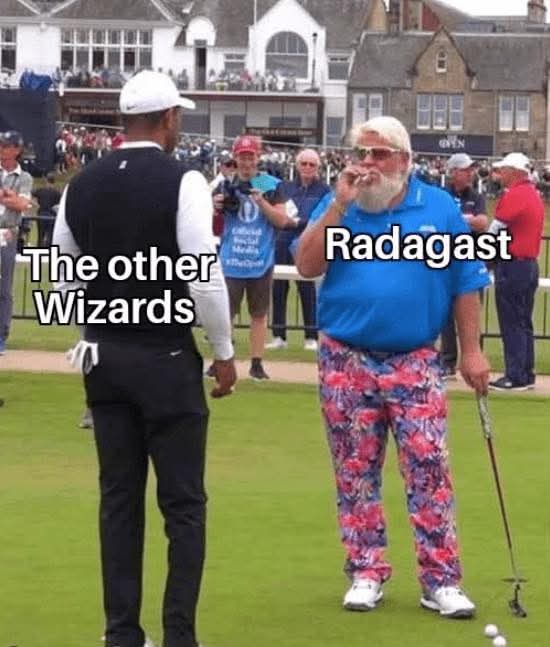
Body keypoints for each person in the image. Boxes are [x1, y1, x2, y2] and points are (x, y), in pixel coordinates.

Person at [52, 70, 237, 647]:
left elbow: (63, 272)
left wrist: (95, 326)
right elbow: (202, 276)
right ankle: (179, 634)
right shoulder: (185, 180)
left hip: (104, 357)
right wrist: (224, 351)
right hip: (165, 355)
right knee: (183, 505)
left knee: (118, 501)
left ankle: (122, 633)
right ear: (168, 119)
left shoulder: (80, 184)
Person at [296, 116, 490, 618]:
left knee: (429, 468)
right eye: (361, 153)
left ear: (404, 161)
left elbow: (466, 282)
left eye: (379, 154)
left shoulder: (439, 208)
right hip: (346, 357)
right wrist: (337, 204)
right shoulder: (341, 205)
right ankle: (365, 570)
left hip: (415, 357)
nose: (368, 164)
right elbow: (308, 265)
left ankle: (441, 579)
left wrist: (471, 350)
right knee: (354, 470)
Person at [213, 135, 297, 380]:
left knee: (259, 315)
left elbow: (282, 221)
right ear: (235, 158)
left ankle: (257, 363)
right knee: (224, 315)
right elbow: (214, 225)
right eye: (242, 156)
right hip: (231, 259)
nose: (247, 162)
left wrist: (261, 202)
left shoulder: (271, 184)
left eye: (251, 156)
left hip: (260, 259)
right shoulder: (225, 184)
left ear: (258, 158)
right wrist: (215, 207)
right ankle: (222, 360)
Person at [488, 153, 544, 391]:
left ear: (514, 171)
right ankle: (525, 373)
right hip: (528, 264)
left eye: (504, 170)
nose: (500, 174)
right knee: (523, 321)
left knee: (511, 321)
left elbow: (496, 228)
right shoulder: (532, 194)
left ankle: (515, 375)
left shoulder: (516, 194)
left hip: (513, 264)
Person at [266, 148, 330, 351]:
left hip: (307, 242)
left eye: (312, 164)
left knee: (307, 289)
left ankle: (311, 335)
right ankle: (279, 335)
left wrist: (298, 223)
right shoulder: (283, 187)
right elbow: (275, 212)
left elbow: (322, 218)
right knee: (278, 288)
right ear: (297, 165)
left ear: (318, 167)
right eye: (304, 163)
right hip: (282, 241)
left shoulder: (324, 191)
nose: (307, 168)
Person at [440, 153, 488, 378]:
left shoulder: (476, 196)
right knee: (446, 315)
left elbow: (483, 223)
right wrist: (467, 220)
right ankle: (448, 361)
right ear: (453, 172)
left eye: (471, 170)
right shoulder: (442, 195)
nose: (470, 174)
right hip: (445, 260)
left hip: (469, 260)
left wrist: (458, 219)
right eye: (465, 170)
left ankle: (474, 357)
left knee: (471, 311)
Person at [0, 131, 34, 354]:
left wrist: (8, 199)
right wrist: (9, 197)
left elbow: (23, 205)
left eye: (5, 146)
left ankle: (1, 335)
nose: (1, 149)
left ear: (16, 150)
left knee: (4, 288)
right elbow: (18, 202)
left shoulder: (24, 177)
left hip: (7, 233)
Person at [32, 173, 62, 247]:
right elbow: (59, 205)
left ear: (46, 181)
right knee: (50, 235)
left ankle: (39, 249)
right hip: (51, 215)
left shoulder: (40, 190)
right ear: (54, 182)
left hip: (41, 214)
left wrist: (36, 205)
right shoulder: (57, 193)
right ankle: (49, 250)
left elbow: (30, 196)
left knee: (40, 235)